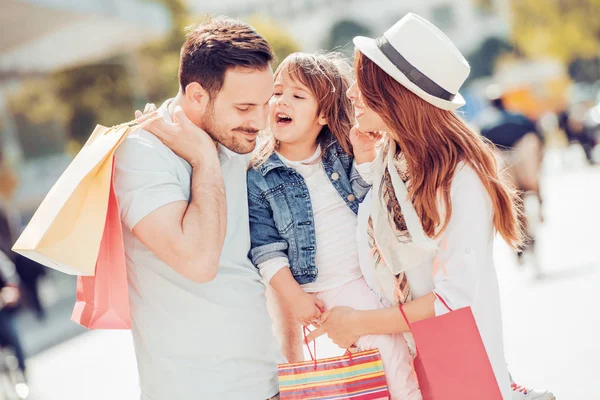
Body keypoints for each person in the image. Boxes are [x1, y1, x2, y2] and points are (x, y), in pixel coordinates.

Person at [307, 13, 555, 400]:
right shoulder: (395, 159)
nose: (351, 93)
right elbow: (394, 236)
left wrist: (360, 322)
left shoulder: (461, 178)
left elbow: (452, 301)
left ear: (394, 94)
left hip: (455, 366)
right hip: (409, 363)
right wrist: (367, 161)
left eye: (364, 84)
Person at [114, 18, 282, 400]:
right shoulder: (141, 153)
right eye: (244, 107)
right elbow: (199, 261)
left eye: (265, 104)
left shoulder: (239, 140)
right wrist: (205, 159)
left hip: (271, 383)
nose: (259, 121)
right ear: (196, 96)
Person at [247, 52, 420, 399]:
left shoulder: (338, 153)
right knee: (389, 353)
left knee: (411, 349)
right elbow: (266, 250)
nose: (282, 101)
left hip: (376, 276)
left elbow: (366, 196)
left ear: (324, 114)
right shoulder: (259, 175)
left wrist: (363, 156)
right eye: (277, 92)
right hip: (333, 286)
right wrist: (295, 298)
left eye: (298, 96)